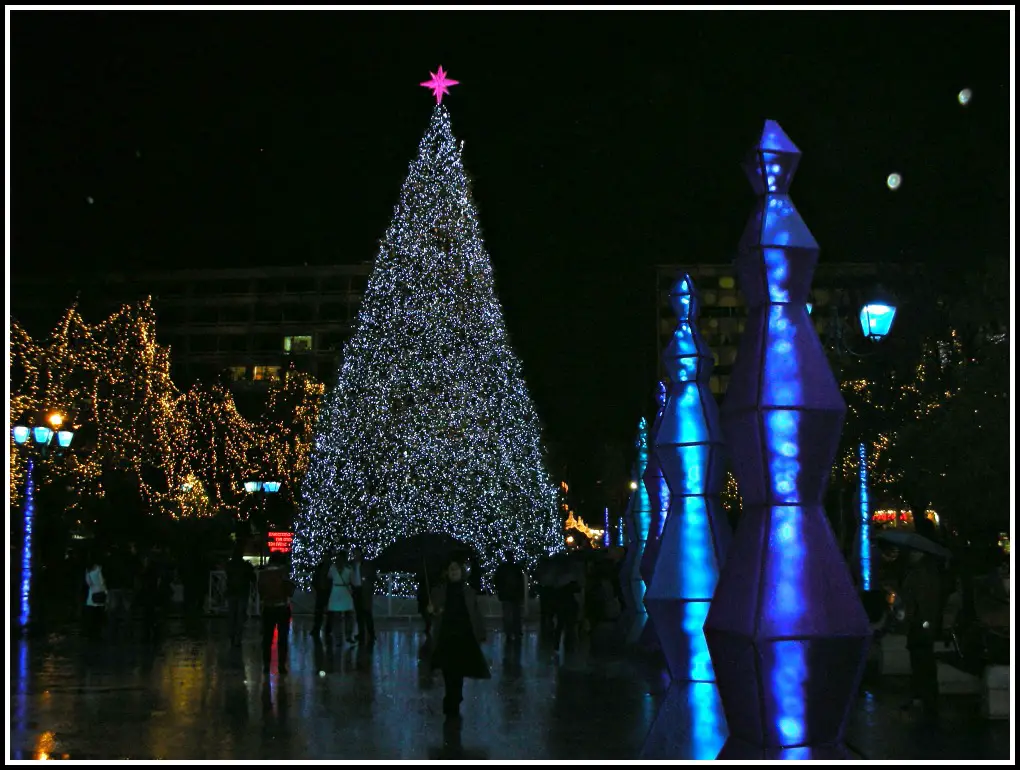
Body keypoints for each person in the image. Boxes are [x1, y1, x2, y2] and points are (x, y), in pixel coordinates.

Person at [428, 559, 491, 721]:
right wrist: (433, 610)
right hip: (446, 636)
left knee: (459, 671)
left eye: (456, 569)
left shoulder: (468, 591)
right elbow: (434, 611)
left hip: (464, 636)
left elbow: (475, 613)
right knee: (448, 671)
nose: (454, 572)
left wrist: (481, 632)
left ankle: (455, 699)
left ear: (461, 572)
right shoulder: (439, 591)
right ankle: (451, 700)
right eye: (451, 569)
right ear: (447, 573)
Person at [896, 545, 944, 720]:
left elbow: (923, 603)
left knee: (922, 662)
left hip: (920, 624)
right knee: (921, 661)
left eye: (915, 552)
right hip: (920, 624)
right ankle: (923, 697)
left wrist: (922, 623)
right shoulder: (923, 572)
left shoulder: (922, 574)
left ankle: (926, 699)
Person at [258, 552, 295, 675]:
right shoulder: (283, 573)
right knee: (282, 638)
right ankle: (281, 665)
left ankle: (265, 666)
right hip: (282, 607)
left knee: (267, 638)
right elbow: (290, 591)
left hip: (268, 607)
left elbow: (260, 590)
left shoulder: (263, 573)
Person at [226, 549, 255, 647]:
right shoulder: (245, 565)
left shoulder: (229, 565)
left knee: (232, 615)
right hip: (242, 592)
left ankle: (231, 635)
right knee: (240, 616)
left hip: (231, 592)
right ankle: (237, 638)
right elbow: (253, 577)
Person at [493, 554, 527, 640]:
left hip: (505, 594)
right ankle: (517, 631)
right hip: (515, 595)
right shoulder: (516, 568)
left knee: (507, 614)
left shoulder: (502, 568)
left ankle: (508, 632)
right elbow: (520, 582)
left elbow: (496, 580)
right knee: (516, 614)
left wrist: (499, 590)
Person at [350, 546, 376, 644]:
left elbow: (372, 576)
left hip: (364, 590)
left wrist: (368, 584)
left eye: (357, 553)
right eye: (354, 553)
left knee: (367, 612)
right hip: (356, 589)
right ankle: (361, 633)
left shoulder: (366, 564)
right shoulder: (352, 564)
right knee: (359, 613)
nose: (356, 555)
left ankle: (371, 633)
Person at [327, 555, 355, 644]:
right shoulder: (333, 568)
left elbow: (352, 579)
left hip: (344, 591)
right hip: (337, 591)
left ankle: (348, 636)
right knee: (337, 617)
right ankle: (339, 638)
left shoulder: (348, 568)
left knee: (348, 616)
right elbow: (329, 577)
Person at [84, 554, 108, 639]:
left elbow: (88, 582)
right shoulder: (99, 568)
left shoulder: (88, 570)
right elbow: (102, 581)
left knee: (91, 616)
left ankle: (91, 633)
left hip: (91, 594)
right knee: (99, 615)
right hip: (100, 592)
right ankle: (98, 633)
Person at [310, 554, 334, 638]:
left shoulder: (327, 567)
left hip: (326, 591)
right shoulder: (328, 567)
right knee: (321, 612)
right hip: (322, 591)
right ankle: (322, 629)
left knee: (323, 612)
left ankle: (324, 629)